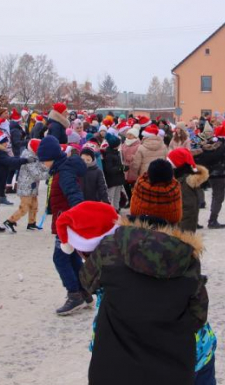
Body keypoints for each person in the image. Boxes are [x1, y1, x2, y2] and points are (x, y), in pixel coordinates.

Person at [53, 200, 210, 385]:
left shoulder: (106, 262)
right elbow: (199, 316)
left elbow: (87, 282)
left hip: (119, 372)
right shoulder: (186, 259)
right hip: (186, 363)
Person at [37, 135, 88, 315]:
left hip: (67, 223)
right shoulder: (60, 169)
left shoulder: (64, 172)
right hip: (65, 221)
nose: (43, 164)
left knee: (60, 258)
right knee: (72, 256)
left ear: (51, 157)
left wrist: (77, 218)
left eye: (44, 161)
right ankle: (84, 291)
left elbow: (74, 195)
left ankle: (75, 295)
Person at [194, 124, 225, 229]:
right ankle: (213, 220)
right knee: (218, 197)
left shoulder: (199, 145)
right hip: (218, 174)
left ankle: (194, 221)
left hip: (202, 173)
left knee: (194, 197)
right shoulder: (222, 147)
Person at [2, 139, 49, 232]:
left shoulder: (34, 156)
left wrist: (48, 167)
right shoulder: (28, 159)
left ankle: (31, 223)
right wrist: (49, 173)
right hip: (26, 187)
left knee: (34, 206)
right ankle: (10, 221)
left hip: (32, 186)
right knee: (24, 207)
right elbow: (37, 174)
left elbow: (41, 165)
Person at [168, 148, 208, 233]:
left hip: (182, 232)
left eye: (170, 162)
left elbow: (187, 211)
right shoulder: (180, 178)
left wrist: (180, 233)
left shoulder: (185, 182)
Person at [102, 134, 126, 211]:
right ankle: (110, 211)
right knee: (111, 196)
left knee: (117, 196)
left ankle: (116, 209)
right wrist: (122, 168)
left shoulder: (115, 152)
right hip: (112, 180)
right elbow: (109, 169)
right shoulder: (109, 155)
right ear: (115, 145)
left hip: (118, 179)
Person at [120, 126, 141, 208]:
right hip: (125, 168)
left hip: (134, 168)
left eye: (130, 135)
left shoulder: (138, 145)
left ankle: (134, 202)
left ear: (135, 136)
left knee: (134, 186)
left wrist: (131, 157)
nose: (128, 136)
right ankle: (130, 199)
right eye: (128, 134)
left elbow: (138, 157)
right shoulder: (125, 143)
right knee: (125, 184)